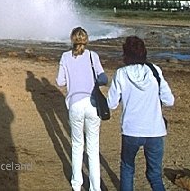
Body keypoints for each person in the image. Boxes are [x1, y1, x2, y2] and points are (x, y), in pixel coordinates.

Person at [107, 36, 174, 191]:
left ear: (125, 54)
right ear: (144, 52)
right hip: (155, 130)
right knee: (155, 175)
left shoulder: (121, 73)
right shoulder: (154, 71)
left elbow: (111, 104)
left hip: (131, 130)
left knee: (127, 168)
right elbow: (169, 100)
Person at [56, 26, 108, 191]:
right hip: (92, 104)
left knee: (77, 145)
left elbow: (60, 82)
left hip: (75, 104)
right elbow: (104, 78)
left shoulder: (65, 57)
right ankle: (95, 188)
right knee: (93, 148)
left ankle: (76, 185)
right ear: (86, 40)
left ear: (72, 40)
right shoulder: (93, 56)